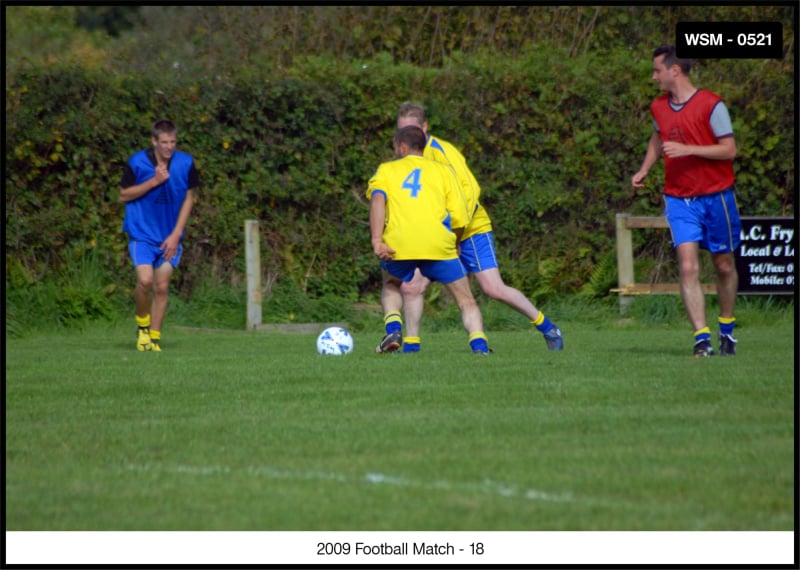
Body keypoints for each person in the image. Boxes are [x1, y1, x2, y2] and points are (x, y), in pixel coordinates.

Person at [394, 102, 563, 353]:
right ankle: (412, 349)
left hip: (470, 230)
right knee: (412, 286)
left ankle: (547, 327)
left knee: (493, 288)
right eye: (401, 131)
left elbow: (469, 194)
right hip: (438, 235)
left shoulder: (443, 153)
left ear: (425, 127)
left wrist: (457, 234)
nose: (406, 137)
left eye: (412, 129)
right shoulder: (405, 159)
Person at [632, 45, 741, 357]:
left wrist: (689, 149)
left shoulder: (711, 105)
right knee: (688, 266)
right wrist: (644, 169)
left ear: (674, 70)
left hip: (717, 197)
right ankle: (701, 339)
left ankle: (727, 329)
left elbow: (729, 150)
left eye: (657, 71)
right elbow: (658, 138)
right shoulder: (659, 107)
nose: (654, 77)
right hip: (679, 199)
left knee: (722, 265)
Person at [367, 125, 491, 354]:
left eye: (395, 146)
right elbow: (460, 216)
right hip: (438, 245)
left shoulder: (387, 170)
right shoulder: (444, 171)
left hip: (399, 245)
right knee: (466, 300)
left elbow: (377, 201)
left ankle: (394, 329)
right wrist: (455, 242)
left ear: (402, 147)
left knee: (391, 284)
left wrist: (377, 239)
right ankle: (479, 345)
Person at [120, 119, 200, 352]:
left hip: (170, 237)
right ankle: (142, 327)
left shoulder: (186, 163)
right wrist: (154, 181)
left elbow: (189, 198)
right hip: (141, 234)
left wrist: (176, 234)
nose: (168, 147)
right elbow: (124, 195)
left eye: (172, 142)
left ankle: (153, 340)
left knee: (162, 287)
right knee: (145, 280)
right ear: (154, 141)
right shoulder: (137, 162)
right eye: (163, 142)